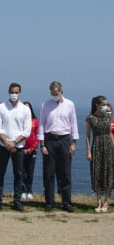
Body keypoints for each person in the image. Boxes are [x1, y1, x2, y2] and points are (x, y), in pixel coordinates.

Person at [38, 81, 79, 213]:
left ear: (61, 91)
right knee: (49, 173)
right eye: (52, 93)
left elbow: (74, 124)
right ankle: (49, 202)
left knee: (65, 172)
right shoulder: (45, 105)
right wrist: (42, 144)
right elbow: (41, 125)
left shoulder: (70, 104)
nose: (54, 95)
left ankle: (66, 202)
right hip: (49, 139)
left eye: (56, 93)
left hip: (65, 139)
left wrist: (74, 143)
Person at [0, 83, 32, 213]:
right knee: (0, 173)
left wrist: (13, 142)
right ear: (8, 92)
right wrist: (7, 142)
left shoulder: (25, 109)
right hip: (3, 146)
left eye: (16, 92)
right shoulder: (1, 108)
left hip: (18, 147)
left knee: (19, 174)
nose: (14, 94)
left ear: (20, 93)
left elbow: (27, 131)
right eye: (12, 92)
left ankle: (17, 201)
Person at [86, 96, 114, 212]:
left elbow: (110, 133)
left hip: (108, 146)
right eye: (103, 104)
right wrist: (88, 151)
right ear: (97, 105)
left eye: (106, 104)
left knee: (108, 174)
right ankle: (98, 201)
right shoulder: (90, 118)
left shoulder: (108, 116)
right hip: (96, 146)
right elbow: (87, 136)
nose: (106, 107)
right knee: (97, 173)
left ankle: (106, 202)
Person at [21, 101, 39, 200]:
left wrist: (32, 148)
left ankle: (29, 190)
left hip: (33, 150)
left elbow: (38, 136)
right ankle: (23, 190)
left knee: (30, 171)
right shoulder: (20, 120)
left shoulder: (35, 121)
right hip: (21, 150)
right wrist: (22, 149)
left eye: (28, 107)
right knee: (22, 171)